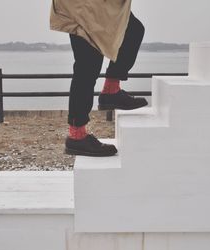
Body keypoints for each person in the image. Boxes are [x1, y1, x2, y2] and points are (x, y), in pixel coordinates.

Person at [50, 0, 147, 157]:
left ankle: (111, 90)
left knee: (133, 30)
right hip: (81, 6)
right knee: (87, 63)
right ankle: (77, 135)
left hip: (96, 5)